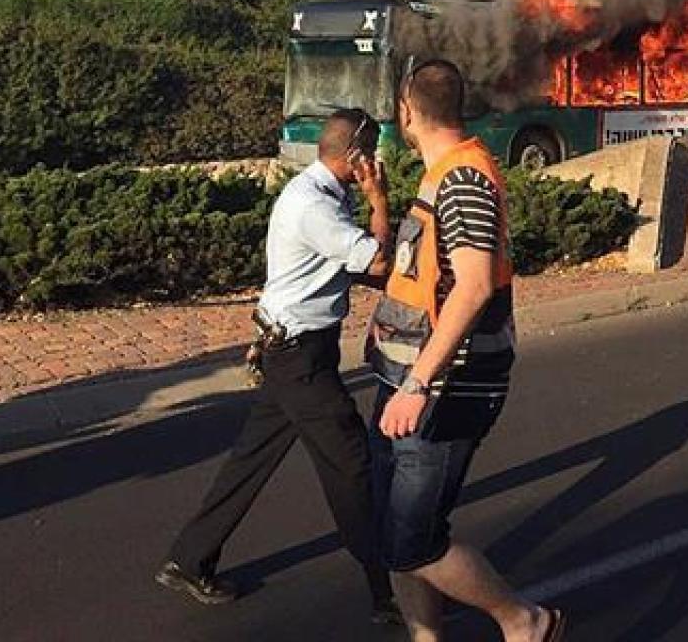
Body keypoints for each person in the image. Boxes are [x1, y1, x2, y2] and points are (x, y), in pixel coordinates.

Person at [157, 108, 398, 624]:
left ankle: (188, 559)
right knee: (351, 463)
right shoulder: (315, 205)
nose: (378, 162)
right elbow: (378, 263)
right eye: (373, 152)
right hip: (299, 357)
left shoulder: (328, 193)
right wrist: (381, 201)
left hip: (293, 348)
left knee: (252, 458)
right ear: (355, 156)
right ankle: (387, 590)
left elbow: (358, 270)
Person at [366, 59, 562, 642]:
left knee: (413, 541)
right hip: (402, 383)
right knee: (396, 540)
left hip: (442, 389)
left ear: (406, 111)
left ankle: (524, 621)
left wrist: (418, 383)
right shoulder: (441, 173)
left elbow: (474, 285)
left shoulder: (465, 179)